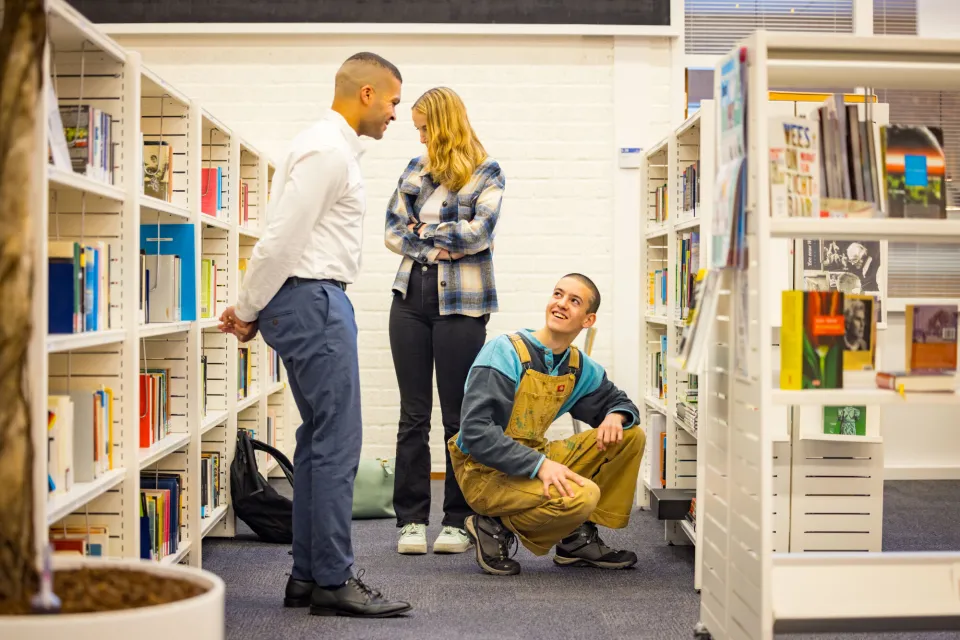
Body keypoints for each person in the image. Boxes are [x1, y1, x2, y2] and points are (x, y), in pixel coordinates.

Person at [218, 52, 411, 618]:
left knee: (316, 440)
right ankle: (332, 580)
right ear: (368, 93)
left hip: (309, 301)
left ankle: (305, 576)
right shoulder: (328, 151)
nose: (395, 114)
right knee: (337, 444)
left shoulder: (326, 148)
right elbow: (280, 240)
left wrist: (255, 309)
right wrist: (247, 308)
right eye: (394, 101)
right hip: (315, 301)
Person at [447, 273, 645, 576]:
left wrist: (615, 415)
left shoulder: (577, 366)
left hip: (533, 458)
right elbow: (476, 432)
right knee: (583, 495)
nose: (561, 304)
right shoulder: (505, 351)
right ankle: (492, 524)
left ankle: (576, 541)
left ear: (588, 320)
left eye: (574, 301)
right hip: (484, 472)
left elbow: (620, 402)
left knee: (630, 435)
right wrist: (540, 465)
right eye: (558, 294)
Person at [384, 87, 505, 556]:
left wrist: (424, 232)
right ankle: (411, 521)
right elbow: (392, 231)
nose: (418, 136)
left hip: (463, 303)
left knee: (459, 417)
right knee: (412, 416)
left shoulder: (487, 171)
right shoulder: (415, 169)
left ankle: (458, 518)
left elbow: (480, 233)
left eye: (423, 127)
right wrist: (438, 244)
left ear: (444, 124)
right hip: (410, 297)